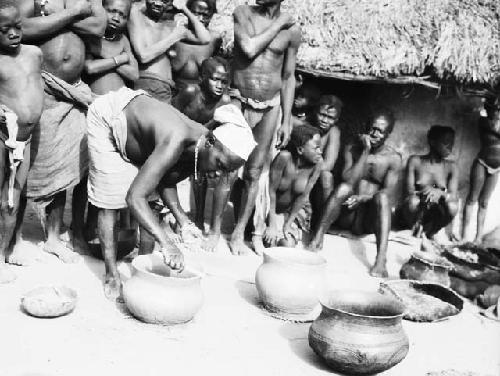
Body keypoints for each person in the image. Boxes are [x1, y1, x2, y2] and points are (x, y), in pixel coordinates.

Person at [87, 92, 256, 299]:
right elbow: (134, 198)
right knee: (110, 202)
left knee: (152, 206)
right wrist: (168, 244)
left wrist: (184, 222)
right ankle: (111, 274)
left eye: (226, 170)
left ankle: (142, 272)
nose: (219, 173)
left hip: (140, 136)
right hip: (110, 118)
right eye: (219, 164)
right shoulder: (177, 139)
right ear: (211, 142)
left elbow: (165, 181)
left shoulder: (200, 149)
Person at [20, 0, 106, 262]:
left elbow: (98, 26)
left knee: (65, 166)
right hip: (39, 87)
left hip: (73, 93)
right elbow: (22, 28)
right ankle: (15, 236)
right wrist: (76, 13)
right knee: (27, 165)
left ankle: (54, 238)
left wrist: (54, 18)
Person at [229, 0, 301, 255]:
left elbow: (288, 76)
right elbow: (248, 48)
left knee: (255, 171)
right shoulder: (242, 13)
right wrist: (280, 22)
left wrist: (286, 118)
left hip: (271, 105)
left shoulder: (293, 32)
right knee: (227, 165)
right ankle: (215, 230)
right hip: (239, 98)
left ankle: (240, 234)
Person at [308, 109, 402, 278]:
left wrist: (364, 198)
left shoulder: (393, 158)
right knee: (343, 188)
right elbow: (349, 180)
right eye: (372, 128)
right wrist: (365, 152)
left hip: (367, 220)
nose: (374, 134)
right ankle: (316, 240)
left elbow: (388, 192)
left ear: (388, 134)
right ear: (366, 127)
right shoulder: (352, 147)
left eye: (381, 131)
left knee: (382, 197)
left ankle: (381, 260)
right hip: (347, 213)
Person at [0, 1, 44, 283]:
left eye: (19, 27)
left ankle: (8, 249)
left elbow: (37, 86)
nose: (14, 33)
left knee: (14, 196)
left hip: (27, 137)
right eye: (6, 30)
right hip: (3, 135)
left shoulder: (35, 53)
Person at [128, 0, 211, 103]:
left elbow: (205, 38)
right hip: (149, 83)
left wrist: (184, 9)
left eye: (164, 1)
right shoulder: (137, 16)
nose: (158, 4)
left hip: (167, 88)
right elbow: (143, 56)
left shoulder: (170, 26)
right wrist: (174, 37)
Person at [264, 125, 322, 247]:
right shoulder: (284, 158)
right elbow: (270, 191)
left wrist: (288, 224)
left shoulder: (317, 165)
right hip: (269, 209)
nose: (320, 152)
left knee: (288, 244)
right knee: (270, 241)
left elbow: (303, 197)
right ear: (300, 150)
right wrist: (272, 224)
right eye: (316, 148)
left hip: (289, 214)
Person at [401, 125, 458, 241]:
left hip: (437, 213)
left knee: (452, 206)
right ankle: (415, 228)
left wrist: (440, 193)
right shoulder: (415, 161)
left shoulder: (452, 167)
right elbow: (408, 191)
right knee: (411, 201)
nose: (450, 147)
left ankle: (431, 232)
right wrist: (426, 193)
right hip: (417, 210)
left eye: (452, 142)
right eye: (446, 142)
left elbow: (453, 196)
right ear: (432, 142)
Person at [462, 95, 500, 244]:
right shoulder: (484, 122)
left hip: (496, 168)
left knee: (484, 203)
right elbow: (496, 130)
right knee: (472, 198)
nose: (496, 113)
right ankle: (465, 236)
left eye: (498, 110)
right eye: (494, 109)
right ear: (489, 110)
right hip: (482, 163)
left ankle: (478, 238)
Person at [84, 0, 139, 95]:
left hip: (124, 99)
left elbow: (134, 74)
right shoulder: (90, 35)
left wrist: (104, 58)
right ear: (101, 9)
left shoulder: (123, 40)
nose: (116, 18)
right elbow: (90, 67)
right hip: (97, 98)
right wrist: (120, 59)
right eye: (112, 11)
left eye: (122, 15)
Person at [170, 0, 221, 93]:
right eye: (195, 14)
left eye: (205, 15)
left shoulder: (214, 39)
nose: (200, 19)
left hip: (200, 95)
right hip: (173, 92)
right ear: (188, 12)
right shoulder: (176, 34)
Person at [309, 95, 343, 228]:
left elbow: (328, 165)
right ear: (315, 112)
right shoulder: (306, 124)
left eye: (330, 118)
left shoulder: (333, 132)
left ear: (337, 119)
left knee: (327, 177)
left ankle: (321, 225)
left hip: (316, 180)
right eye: (322, 115)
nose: (324, 120)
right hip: (300, 178)